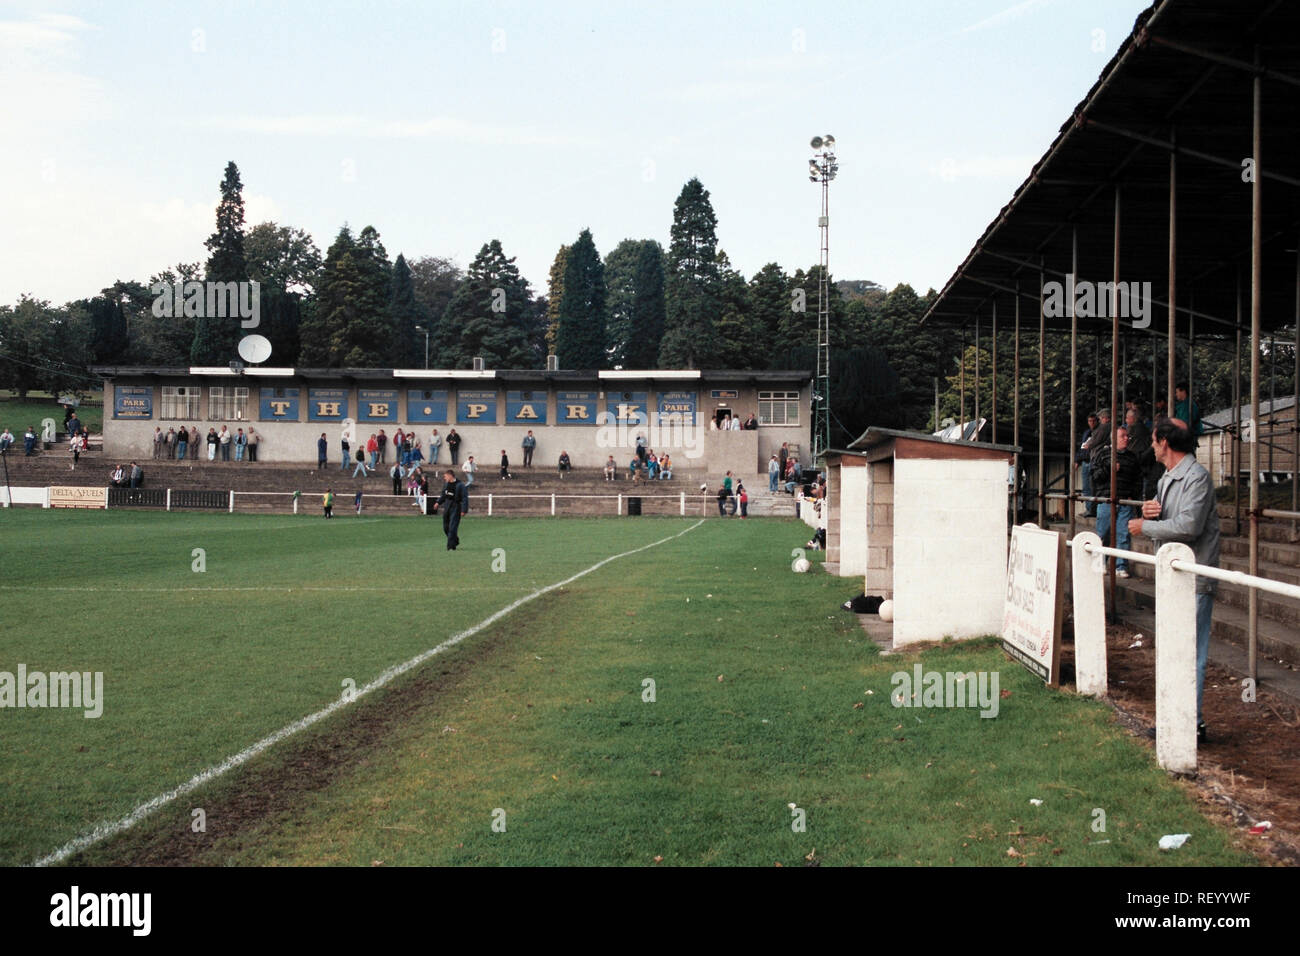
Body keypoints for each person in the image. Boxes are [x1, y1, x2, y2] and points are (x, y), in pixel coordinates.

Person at [1128, 418, 1220, 744]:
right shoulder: (1167, 478)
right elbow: (1171, 520)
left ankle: (1190, 724)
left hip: (1194, 581)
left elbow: (1189, 526)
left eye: (1154, 440)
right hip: (1173, 578)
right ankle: (1176, 717)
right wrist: (1152, 512)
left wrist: (1145, 526)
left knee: (1190, 652)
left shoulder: (1197, 477)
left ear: (1164, 442)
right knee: (1172, 650)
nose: (1151, 446)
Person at [1093, 424, 1141, 577]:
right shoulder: (1103, 454)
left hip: (1125, 500)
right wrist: (1109, 469)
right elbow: (1095, 477)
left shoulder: (1132, 457)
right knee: (1104, 534)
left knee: (1123, 534)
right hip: (1107, 500)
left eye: (1127, 436)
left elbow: (1138, 480)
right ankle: (1100, 563)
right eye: (1123, 436)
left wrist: (1132, 495)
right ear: (1114, 438)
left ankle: (1121, 566)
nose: (1126, 439)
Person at [435, 468, 468, 550]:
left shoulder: (460, 485)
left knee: (452, 527)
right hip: (447, 506)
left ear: (450, 476)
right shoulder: (446, 485)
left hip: (456, 507)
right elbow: (443, 495)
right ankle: (455, 540)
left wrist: (464, 510)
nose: (444, 478)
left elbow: (464, 498)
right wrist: (438, 502)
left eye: (445, 476)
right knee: (446, 527)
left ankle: (450, 546)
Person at [1077, 413, 1098, 517]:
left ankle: (1093, 510)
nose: (1092, 423)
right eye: (1090, 421)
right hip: (1085, 461)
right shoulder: (1086, 433)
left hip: (1093, 461)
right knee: (1086, 487)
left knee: (1093, 486)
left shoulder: (1098, 432)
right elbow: (1081, 447)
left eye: (1093, 421)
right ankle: (1088, 508)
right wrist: (1077, 460)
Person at [1173, 383, 1203, 448]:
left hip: (1186, 437)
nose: (1176, 394)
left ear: (1183, 391)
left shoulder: (1188, 405)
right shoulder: (1181, 405)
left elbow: (1184, 424)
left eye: (1177, 392)